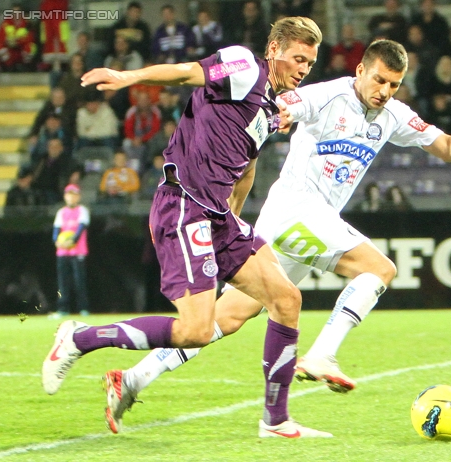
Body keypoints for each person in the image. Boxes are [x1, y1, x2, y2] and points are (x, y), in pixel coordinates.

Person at [100, 39, 451, 433]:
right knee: (378, 269)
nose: (384, 91)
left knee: (225, 319)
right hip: (298, 210)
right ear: (360, 70)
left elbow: (449, 147)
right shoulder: (328, 96)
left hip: (303, 222)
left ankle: (132, 379)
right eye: (379, 80)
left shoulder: (395, 115)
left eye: (393, 85)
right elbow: (286, 104)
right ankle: (321, 356)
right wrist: (282, 115)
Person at [42, 16, 328, 439]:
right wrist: (128, 76)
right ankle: (80, 338)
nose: (303, 69)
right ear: (274, 50)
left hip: (219, 216)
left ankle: (276, 420)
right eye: (298, 58)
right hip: (184, 205)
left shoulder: (272, 107)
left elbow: (245, 165)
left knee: (286, 298)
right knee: (195, 330)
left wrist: (235, 216)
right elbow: (185, 73)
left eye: (310, 62)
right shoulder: (244, 65)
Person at [49, 184, 90, 319]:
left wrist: (71, 241)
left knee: (79, 281)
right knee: (63, 282)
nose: (71, 197)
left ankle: (83, 308)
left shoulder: (82, 211)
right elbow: (56, 230)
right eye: (69, 194)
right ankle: (62, 309)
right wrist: (58, 242)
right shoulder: (61, 212)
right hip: (62, 253)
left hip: (78, 252)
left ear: (78, 196)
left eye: (74, 194)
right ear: (65, 196)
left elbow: (80, 229)